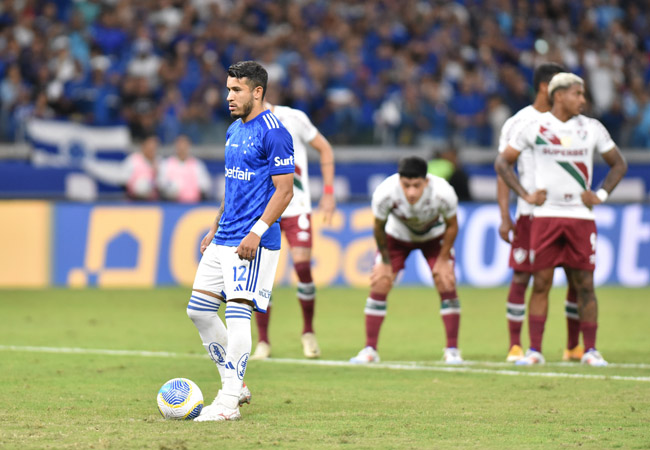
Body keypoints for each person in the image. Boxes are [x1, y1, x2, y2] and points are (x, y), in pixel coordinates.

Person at [186, 61, 294, 422]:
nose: (228, 96)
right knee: (198, 310)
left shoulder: (275, 132)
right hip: (225, 236)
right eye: (228, 88)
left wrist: (256, 232)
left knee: (237, 315)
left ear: (257, 92)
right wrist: (215, 226)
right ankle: (236, 383)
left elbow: (285, 191)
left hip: (254, 242)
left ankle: (229, 402)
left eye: (236, 90)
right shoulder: (234, 128)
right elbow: (233, 183)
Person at [495, 72, 627, 366]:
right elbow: (503, 162)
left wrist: (601, 195)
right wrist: (525, 195)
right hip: (546, 216)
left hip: (580, 217)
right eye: (577, 94)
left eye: (582, 94)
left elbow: (619, 163)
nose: (583, 99)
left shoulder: (592, 128)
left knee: (585, 284)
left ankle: (589, 350)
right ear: (558, 95)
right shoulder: (534, 127)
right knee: (540, 282)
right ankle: (535, 351)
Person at [496, 63, 585, 363]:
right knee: (522, 278)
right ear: (547, 88)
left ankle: (573, 346)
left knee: (575, 278)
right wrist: (505, 215)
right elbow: (503, 169)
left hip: (568, 213)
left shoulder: (575, 124)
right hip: (529, 215)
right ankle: (515, 346)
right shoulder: (519, 122)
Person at [350, 156, 464, 365]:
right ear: (399, 181)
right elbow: (378, 227)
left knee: (446, 281)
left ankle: (452, 350)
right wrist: (384, 261)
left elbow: (452, 225)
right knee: (380, 283)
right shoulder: (385, 192)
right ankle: (370, 349)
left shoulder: (443, 192)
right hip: (397, 238)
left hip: (434, 237)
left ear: (426, 182)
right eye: (406, 185)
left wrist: (443, 258)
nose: (411, 192)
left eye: (416, 185)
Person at [250, 101, 336, 360]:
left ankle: (308, 332)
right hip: (265, 210)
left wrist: (328, 193)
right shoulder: (245, 126)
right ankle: (263, 342)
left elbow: (325, 148)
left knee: (302, 267)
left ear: (258, 91)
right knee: (262, 276)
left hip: (297, 206)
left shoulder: (292, 117)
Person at [157, 134, 212, 203]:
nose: (182, 148)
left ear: (188, 146)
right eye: (179, 145)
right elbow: (160, 183)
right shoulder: (166, 164)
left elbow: (205, 185)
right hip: (171, 204)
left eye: (184, 145)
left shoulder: (197, 164)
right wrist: (169, 190)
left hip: (193, 205)